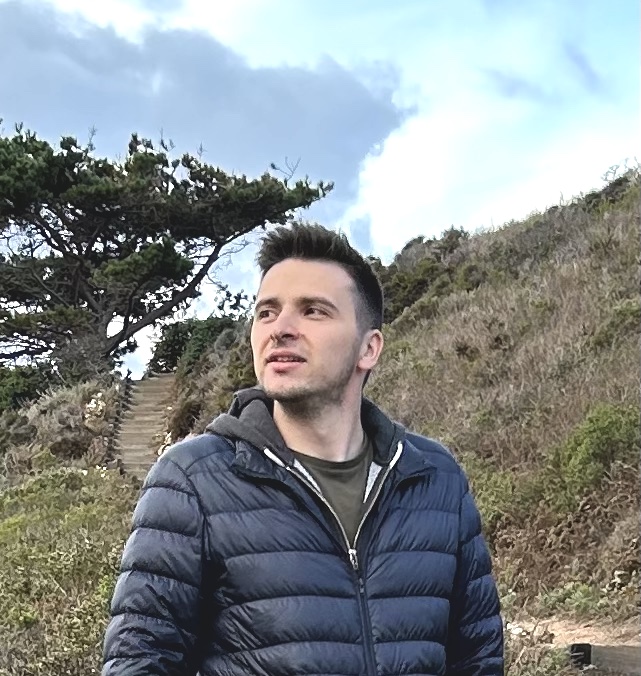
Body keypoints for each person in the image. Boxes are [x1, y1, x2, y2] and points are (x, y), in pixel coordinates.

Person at [102, 223, 504, 675]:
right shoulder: (192, 480)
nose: (280, 330)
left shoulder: (435, 477)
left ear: (368, 349)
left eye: (312, 311)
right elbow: (139, 663)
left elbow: (478, 658)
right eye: (267, 312)